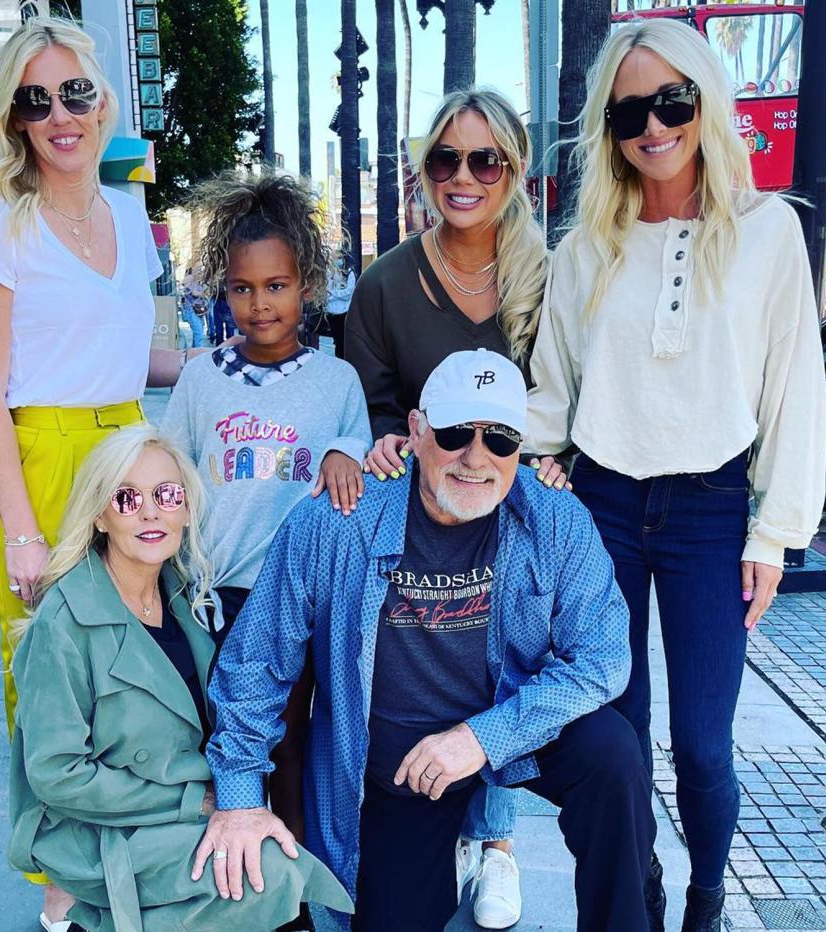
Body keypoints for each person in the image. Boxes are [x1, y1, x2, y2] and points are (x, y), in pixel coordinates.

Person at [526, 20, 826, 931]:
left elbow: (793, 389)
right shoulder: (586, 246)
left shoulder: (769, 234)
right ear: (607, 127)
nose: (653, 126)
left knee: (701, 744)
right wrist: (532, 454)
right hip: (604, 506)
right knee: (614, 733)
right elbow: (553, 385)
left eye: (672, 102)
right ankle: (639, 892)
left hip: (712, 514)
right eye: (629, 112)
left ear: (704, 104)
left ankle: (706, 895)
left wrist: (776, 533)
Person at [202, 350, 655, 932]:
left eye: (500, 439)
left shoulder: (555, 517)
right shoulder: (339, 517)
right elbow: (256, 663)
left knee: (614, 755)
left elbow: (604, 657)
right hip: (407, 767)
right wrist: (239, 797)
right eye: (454, 433)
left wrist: (482, 737)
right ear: (415, 431)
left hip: (511, 730)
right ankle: (452, 851)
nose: (476, 457)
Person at [0, 16, 206, 929]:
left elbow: (139, 357)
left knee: (137, 660)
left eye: (76, 93)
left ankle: (133, 857)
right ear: (13, 116)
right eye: (35, 99)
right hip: (44, 456)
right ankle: (59, 893)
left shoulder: (130, 216)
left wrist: (237, 362)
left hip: (127, 451)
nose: (60, 114)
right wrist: (20, 524)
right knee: (51, 673)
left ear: (104, 102)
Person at [343, 88, 564, 927]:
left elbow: (567, 391)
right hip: (422, 521)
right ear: (422, 169)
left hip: (519, 510)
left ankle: (498, 842)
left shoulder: (548, 276)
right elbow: (366, 399)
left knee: (513, 655)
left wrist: (555, 462)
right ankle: (451, 833)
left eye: (486, 160)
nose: (464, 177)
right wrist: (379, 442)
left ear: (515, 170)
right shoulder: (387, 283)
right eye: (446, 159)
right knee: (439, 675)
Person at [8, 424, 352, 931]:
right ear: (100, 514)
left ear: (186, 509)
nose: (151, 511)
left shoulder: (180, 592)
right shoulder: (63, 623)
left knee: (265, 862)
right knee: (270, 874)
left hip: (176, 806)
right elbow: (56, 774)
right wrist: (196, 800)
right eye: (127, 498)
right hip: (103, 826)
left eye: (167, 495)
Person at [161, 169, 371, 930]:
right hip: (228, 593)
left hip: (310, 597)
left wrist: (350, 452)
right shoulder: (199, 382)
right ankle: (258, 891)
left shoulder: (336, 381)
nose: (261, 304)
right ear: (224, 288)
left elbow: (360, 447)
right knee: (245, 739)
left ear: (307, 284)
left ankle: (298, 888)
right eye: (244, 288)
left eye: (277, 285)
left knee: (308, 747)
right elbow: (172, 475)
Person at [180, 266, 208, 348]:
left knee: (198, 334)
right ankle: (198, 355)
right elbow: (195, 293)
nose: (200, 271)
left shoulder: (197, 280)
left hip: (197, 310)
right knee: (199, 334)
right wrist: (204, 291)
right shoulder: (189, 278)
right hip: (192, 310)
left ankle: (194, 354)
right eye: (198, 268)